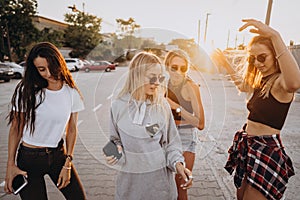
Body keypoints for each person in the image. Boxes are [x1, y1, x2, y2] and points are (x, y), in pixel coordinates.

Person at [211, 19, 300, 200]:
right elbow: (242, 85)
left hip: (266, 150)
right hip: (249, 148)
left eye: (262, 57)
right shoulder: (263, 81)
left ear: (276, 55)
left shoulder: (280, 83)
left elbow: (295, 83)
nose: (257, 63)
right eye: (253, 58)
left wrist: (274, 35)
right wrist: (225, 64)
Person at [104, 51, 193, 200]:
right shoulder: (118, 106)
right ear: (137, 75)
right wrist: (114, 151)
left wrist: (178, 165)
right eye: (152, 76)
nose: (157, 82)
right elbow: (114, 140)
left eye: (159, 77)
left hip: (160, 188)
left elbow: (171, 144)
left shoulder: (162, 106)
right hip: (129, 188)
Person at [4, 42, 86, 200]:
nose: (48, 73)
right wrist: (10, 166)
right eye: (41, 69)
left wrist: (68, 163)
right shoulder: (26, 90)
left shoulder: (70, 91)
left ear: (59, 63)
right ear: (35, 69)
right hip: (29, 159)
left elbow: (72, 129)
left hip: (58, 156)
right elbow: (15, 128)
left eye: (51, 67)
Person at [164, 49, 205, 200]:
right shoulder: (162, 84)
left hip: (185, 135)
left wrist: (176, 106)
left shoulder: (191, 86)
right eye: (174, 67)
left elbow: (200, 123)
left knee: (181, 183)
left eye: (183, 68)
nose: (178, 72)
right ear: (167, 66)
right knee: (163, 182)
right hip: (166, 133)